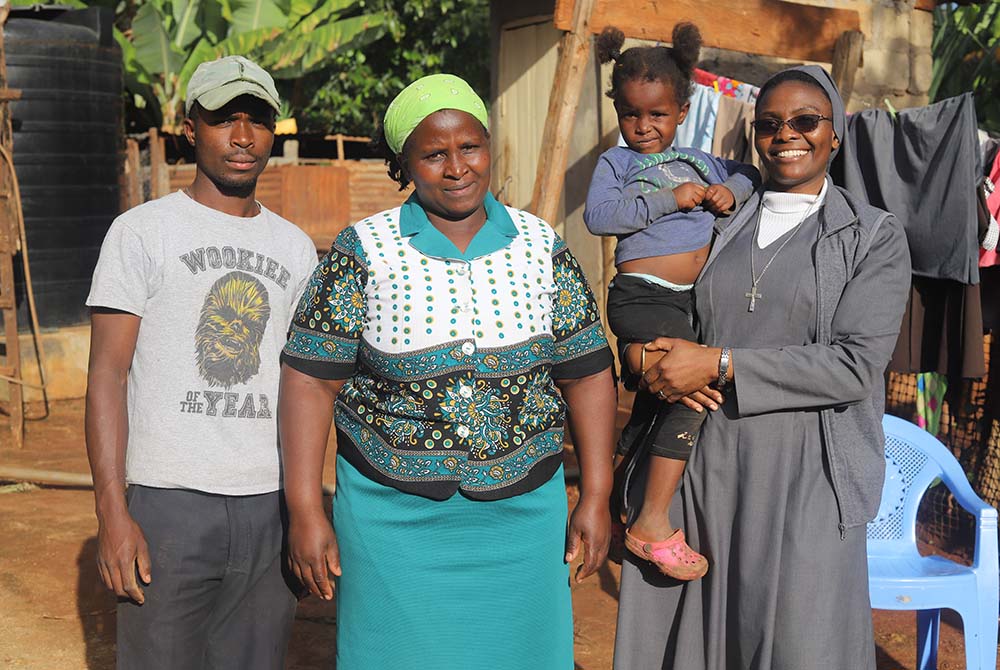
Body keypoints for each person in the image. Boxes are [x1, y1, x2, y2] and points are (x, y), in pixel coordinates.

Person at [278, 73, 617, 670]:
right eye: (434, 154)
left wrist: (595, 493)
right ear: (405, 163)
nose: (457, 166)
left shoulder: (541, 247)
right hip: (393, 523)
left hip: (522, 520)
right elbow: (311, 381)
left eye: (470, 147)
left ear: (490, 148)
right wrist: (305, 509)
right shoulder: (363, 251)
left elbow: (586, 374)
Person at [613, 65, 911, 669]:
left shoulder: (871, 236)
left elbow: (855, 366)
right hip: (702, 460)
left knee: (804, 640)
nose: (786, 135)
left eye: (805, 121)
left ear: (835, 134)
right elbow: (652, 294)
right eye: (770, 124)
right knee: (699, 638)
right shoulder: (714, 220)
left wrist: (719, 362)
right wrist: (639, 353)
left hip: (811, 471)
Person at [84, 56, 318, 670]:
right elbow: (106, 373)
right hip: (169, 508)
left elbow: (308, 387)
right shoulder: (141, 233)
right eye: (224, 119)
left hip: (270, 505)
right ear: (191, 128)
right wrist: (113, 511)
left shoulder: (294, 249)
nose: (243, 137)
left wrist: (305, 507)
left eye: (258, 120)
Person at [583, 23, 759, 580]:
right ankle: (651, 521)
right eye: (631, 114)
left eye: (657, 114)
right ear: (617, 111)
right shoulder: (617, 165)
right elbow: (599, 217)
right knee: (692, 393)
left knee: (657, 405)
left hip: (689, 303)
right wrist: (667, 198)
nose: (643, 127)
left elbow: (753, 174)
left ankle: (612, 505)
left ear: (682, 111)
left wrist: (733, 193)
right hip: (642, 295)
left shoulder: (706, 163)